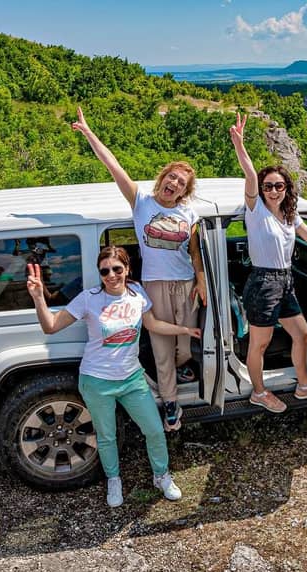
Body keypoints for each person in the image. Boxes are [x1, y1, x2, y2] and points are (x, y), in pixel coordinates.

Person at [26, 245, 201, 507]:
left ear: (127, 269)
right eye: (104, 271)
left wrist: (184, 330)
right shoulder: (89, 298)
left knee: (155, 430)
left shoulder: (137, 293)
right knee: (107, 437)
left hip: (132, 379)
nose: (111, 275)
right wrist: (39, 297)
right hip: (97, 381)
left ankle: (162, 476)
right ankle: (114, 480)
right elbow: (50, 327)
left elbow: (152, 324)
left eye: (117, 269)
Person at [72, 106, 206, 431]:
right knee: (162, 348)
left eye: (181, 182)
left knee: (187, 344)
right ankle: (171, 402)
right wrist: (89, 133)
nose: (174, 183)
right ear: (163, 177)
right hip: (155, 285)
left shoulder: (189, 214)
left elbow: (194, 251)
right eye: (172, 176)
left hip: (186, 283)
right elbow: (113, 166)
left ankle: (182, 368)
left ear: (184, 192)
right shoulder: (141, 201)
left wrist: (201, 280)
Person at [229, 113, 307, 413]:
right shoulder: (256, 210)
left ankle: (304, 385)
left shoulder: (289, 215)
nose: (273, 191)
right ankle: (259, 392)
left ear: (286, 189)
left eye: (279, 186)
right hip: (263, 282)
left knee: (302, 333)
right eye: (268, 186)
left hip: (285, 281)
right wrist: (240, 145)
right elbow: (249, 175)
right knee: (260, 343)